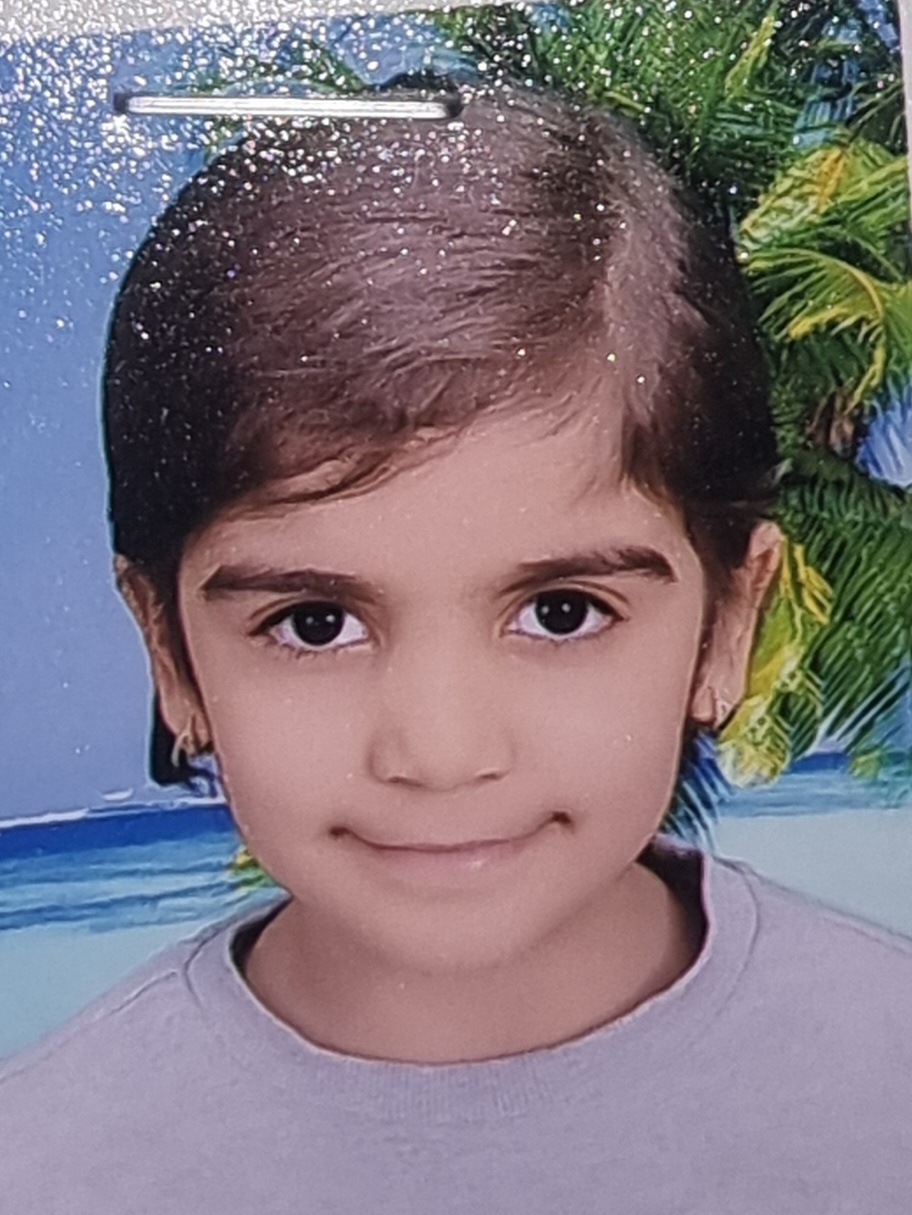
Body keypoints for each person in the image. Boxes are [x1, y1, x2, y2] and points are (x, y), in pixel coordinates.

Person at [2, 80, 911, 1212]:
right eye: (316, 624)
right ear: (170, 653)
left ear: (730, 621)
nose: (440, 752)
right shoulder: (44, 1166)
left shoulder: (886, 1078)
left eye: (562, 612)